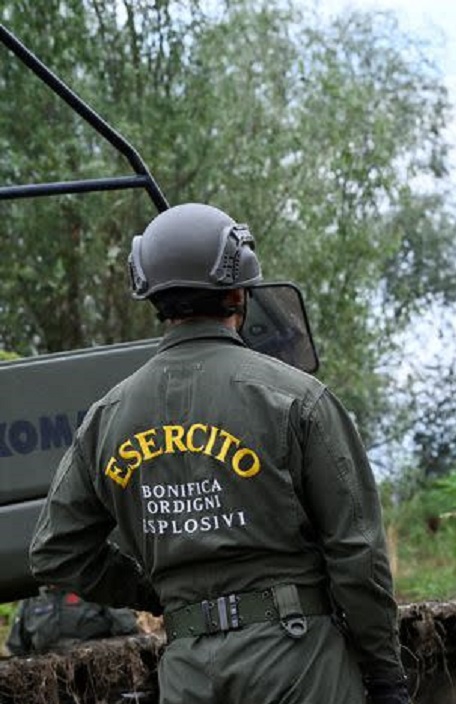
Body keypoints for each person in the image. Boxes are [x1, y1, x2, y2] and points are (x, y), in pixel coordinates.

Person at [28, 203, 408, 704]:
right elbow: (357, 554)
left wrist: (157, 592)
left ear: (155, 298)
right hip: (298, 665)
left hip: (188, 674)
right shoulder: (296, 397)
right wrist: (386, 675)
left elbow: (55, 552)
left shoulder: (107, 418)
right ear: (238, 293)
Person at [5, 586, 140, 657]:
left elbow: (127, 628)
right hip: (47, 678)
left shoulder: (92, 588)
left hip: (96, 669)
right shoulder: (31, 599)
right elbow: (16, 646)